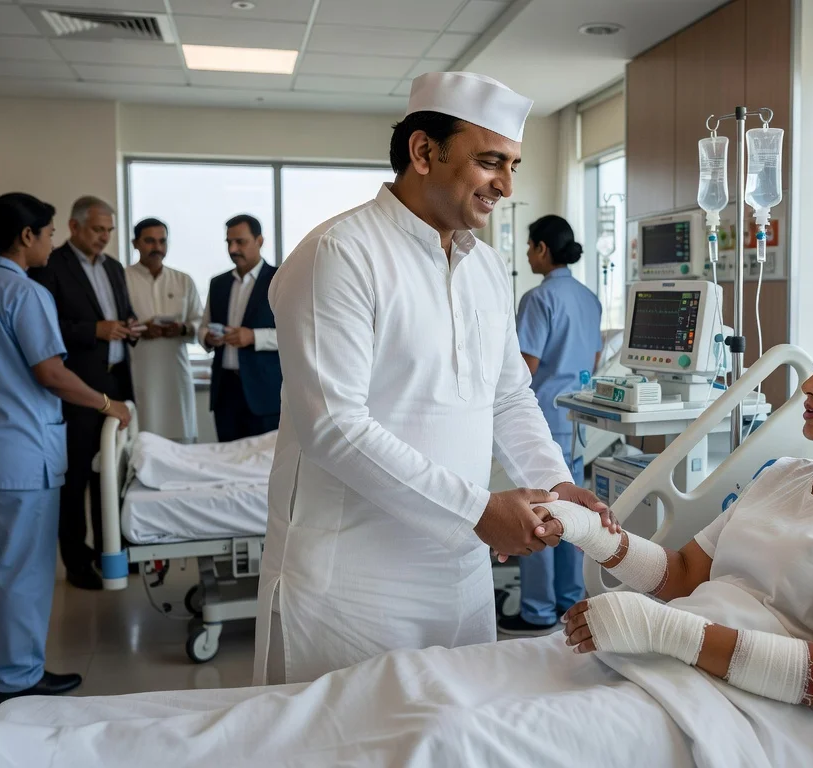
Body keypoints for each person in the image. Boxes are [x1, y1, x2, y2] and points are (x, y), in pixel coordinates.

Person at [0, 310, 813, 764]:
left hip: (749, 723)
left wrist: (662, 633)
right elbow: (685, 571)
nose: (811, 386)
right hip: (654, 661)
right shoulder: (789, 477)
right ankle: (42, 744)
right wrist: (597, 539)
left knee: (451, 743)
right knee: (402, 685)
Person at [257, 71, 614, 684]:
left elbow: (508, 396)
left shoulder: (485, 268)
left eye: (514, 166)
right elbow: (334, 426)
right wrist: (478, 511)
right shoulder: (340, 254)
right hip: (353, 587)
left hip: (462, 578)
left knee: (456, 728)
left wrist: (553, 482)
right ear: (423, 151)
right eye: (490, 162)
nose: (506, 185)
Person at [0, 192, 131, 703]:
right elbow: (50, 373)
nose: (52, 243)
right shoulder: (24, 293)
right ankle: (19, 676)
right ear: (26, 236)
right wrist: (107, 403)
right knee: (23, 568)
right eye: (48, 234)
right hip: (19, 454)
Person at [498, 215, 602, 636]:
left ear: (542, 248)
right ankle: (569, 600)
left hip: (539, 420)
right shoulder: (589, 298)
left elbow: (523, 370)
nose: (527, 254)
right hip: (577, 420)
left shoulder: (538, 299)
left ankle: (537, 610)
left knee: (538, 508)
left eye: (530, 246)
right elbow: (594, 360)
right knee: (570, 509)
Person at [29, 195, 139, 591]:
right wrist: (94, 330)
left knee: (113, 472)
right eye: (97, 229)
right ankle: (77, 562)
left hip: (116, 380)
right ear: (74, 227)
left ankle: (113, 550)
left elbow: (121, 312)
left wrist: (129, 325)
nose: (104, 237)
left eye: (109, 230)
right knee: (75, 478)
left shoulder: (113, 267)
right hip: (75, 387)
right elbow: (44, 327)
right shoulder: (49, 266)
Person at [198, 214, 281, 443]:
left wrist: (253, 337)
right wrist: (208, 337)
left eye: (240, 242)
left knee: (263, 461)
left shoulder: (279, 279)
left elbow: (296, 334)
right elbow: (203, 327)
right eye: (229, 242)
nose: (233, 249)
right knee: (226, 457)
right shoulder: (218, 283)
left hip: (264, 393)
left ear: (259, 241)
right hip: (225, 392)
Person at [125, 218, 203, 442]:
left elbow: (199, 322)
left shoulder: (183, 280)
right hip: (139, 370)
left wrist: (182, 328)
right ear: (135, 243)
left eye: (162, 241)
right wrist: (143, 329)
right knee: (144, 436)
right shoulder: (122, 278)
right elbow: (116, 324)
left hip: (175, 372)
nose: (157, 247)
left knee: (181, 433)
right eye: (150, 241)